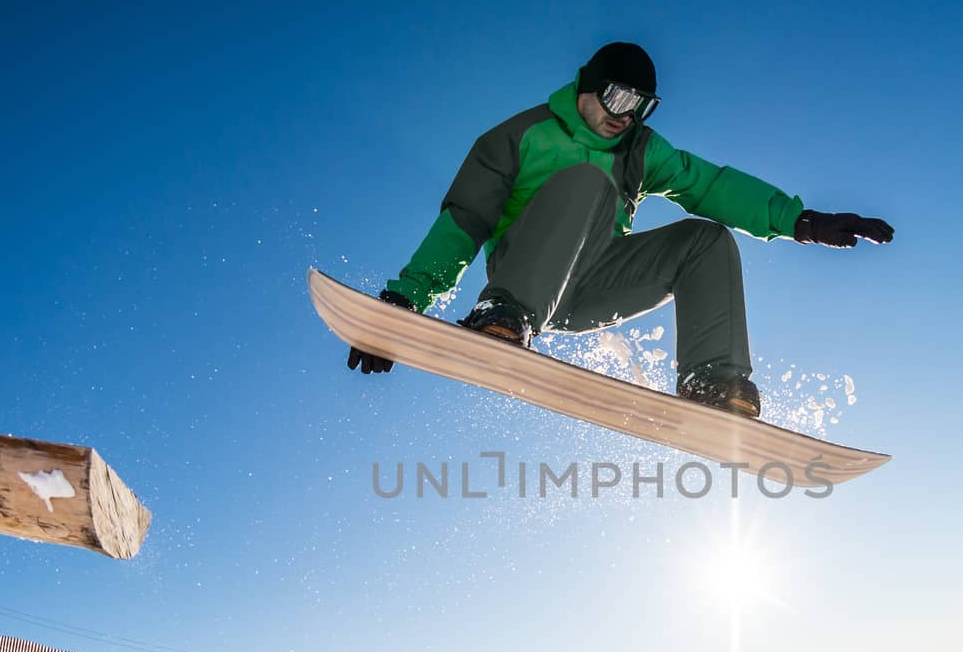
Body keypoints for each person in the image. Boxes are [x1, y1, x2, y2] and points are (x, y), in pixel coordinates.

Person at [347, 42, 894, 419]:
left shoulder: (639, 149)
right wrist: (403, 307)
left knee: (705, 239)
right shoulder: (520, 136)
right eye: (618, 99)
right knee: (587, 182)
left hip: (594, 285)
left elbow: (710, 185)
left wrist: (801, 220)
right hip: (523, 282)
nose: (625, 117)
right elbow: (464, 219)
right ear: (588, 86)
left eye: (641, 107)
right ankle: (504, 314)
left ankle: (712, 380)